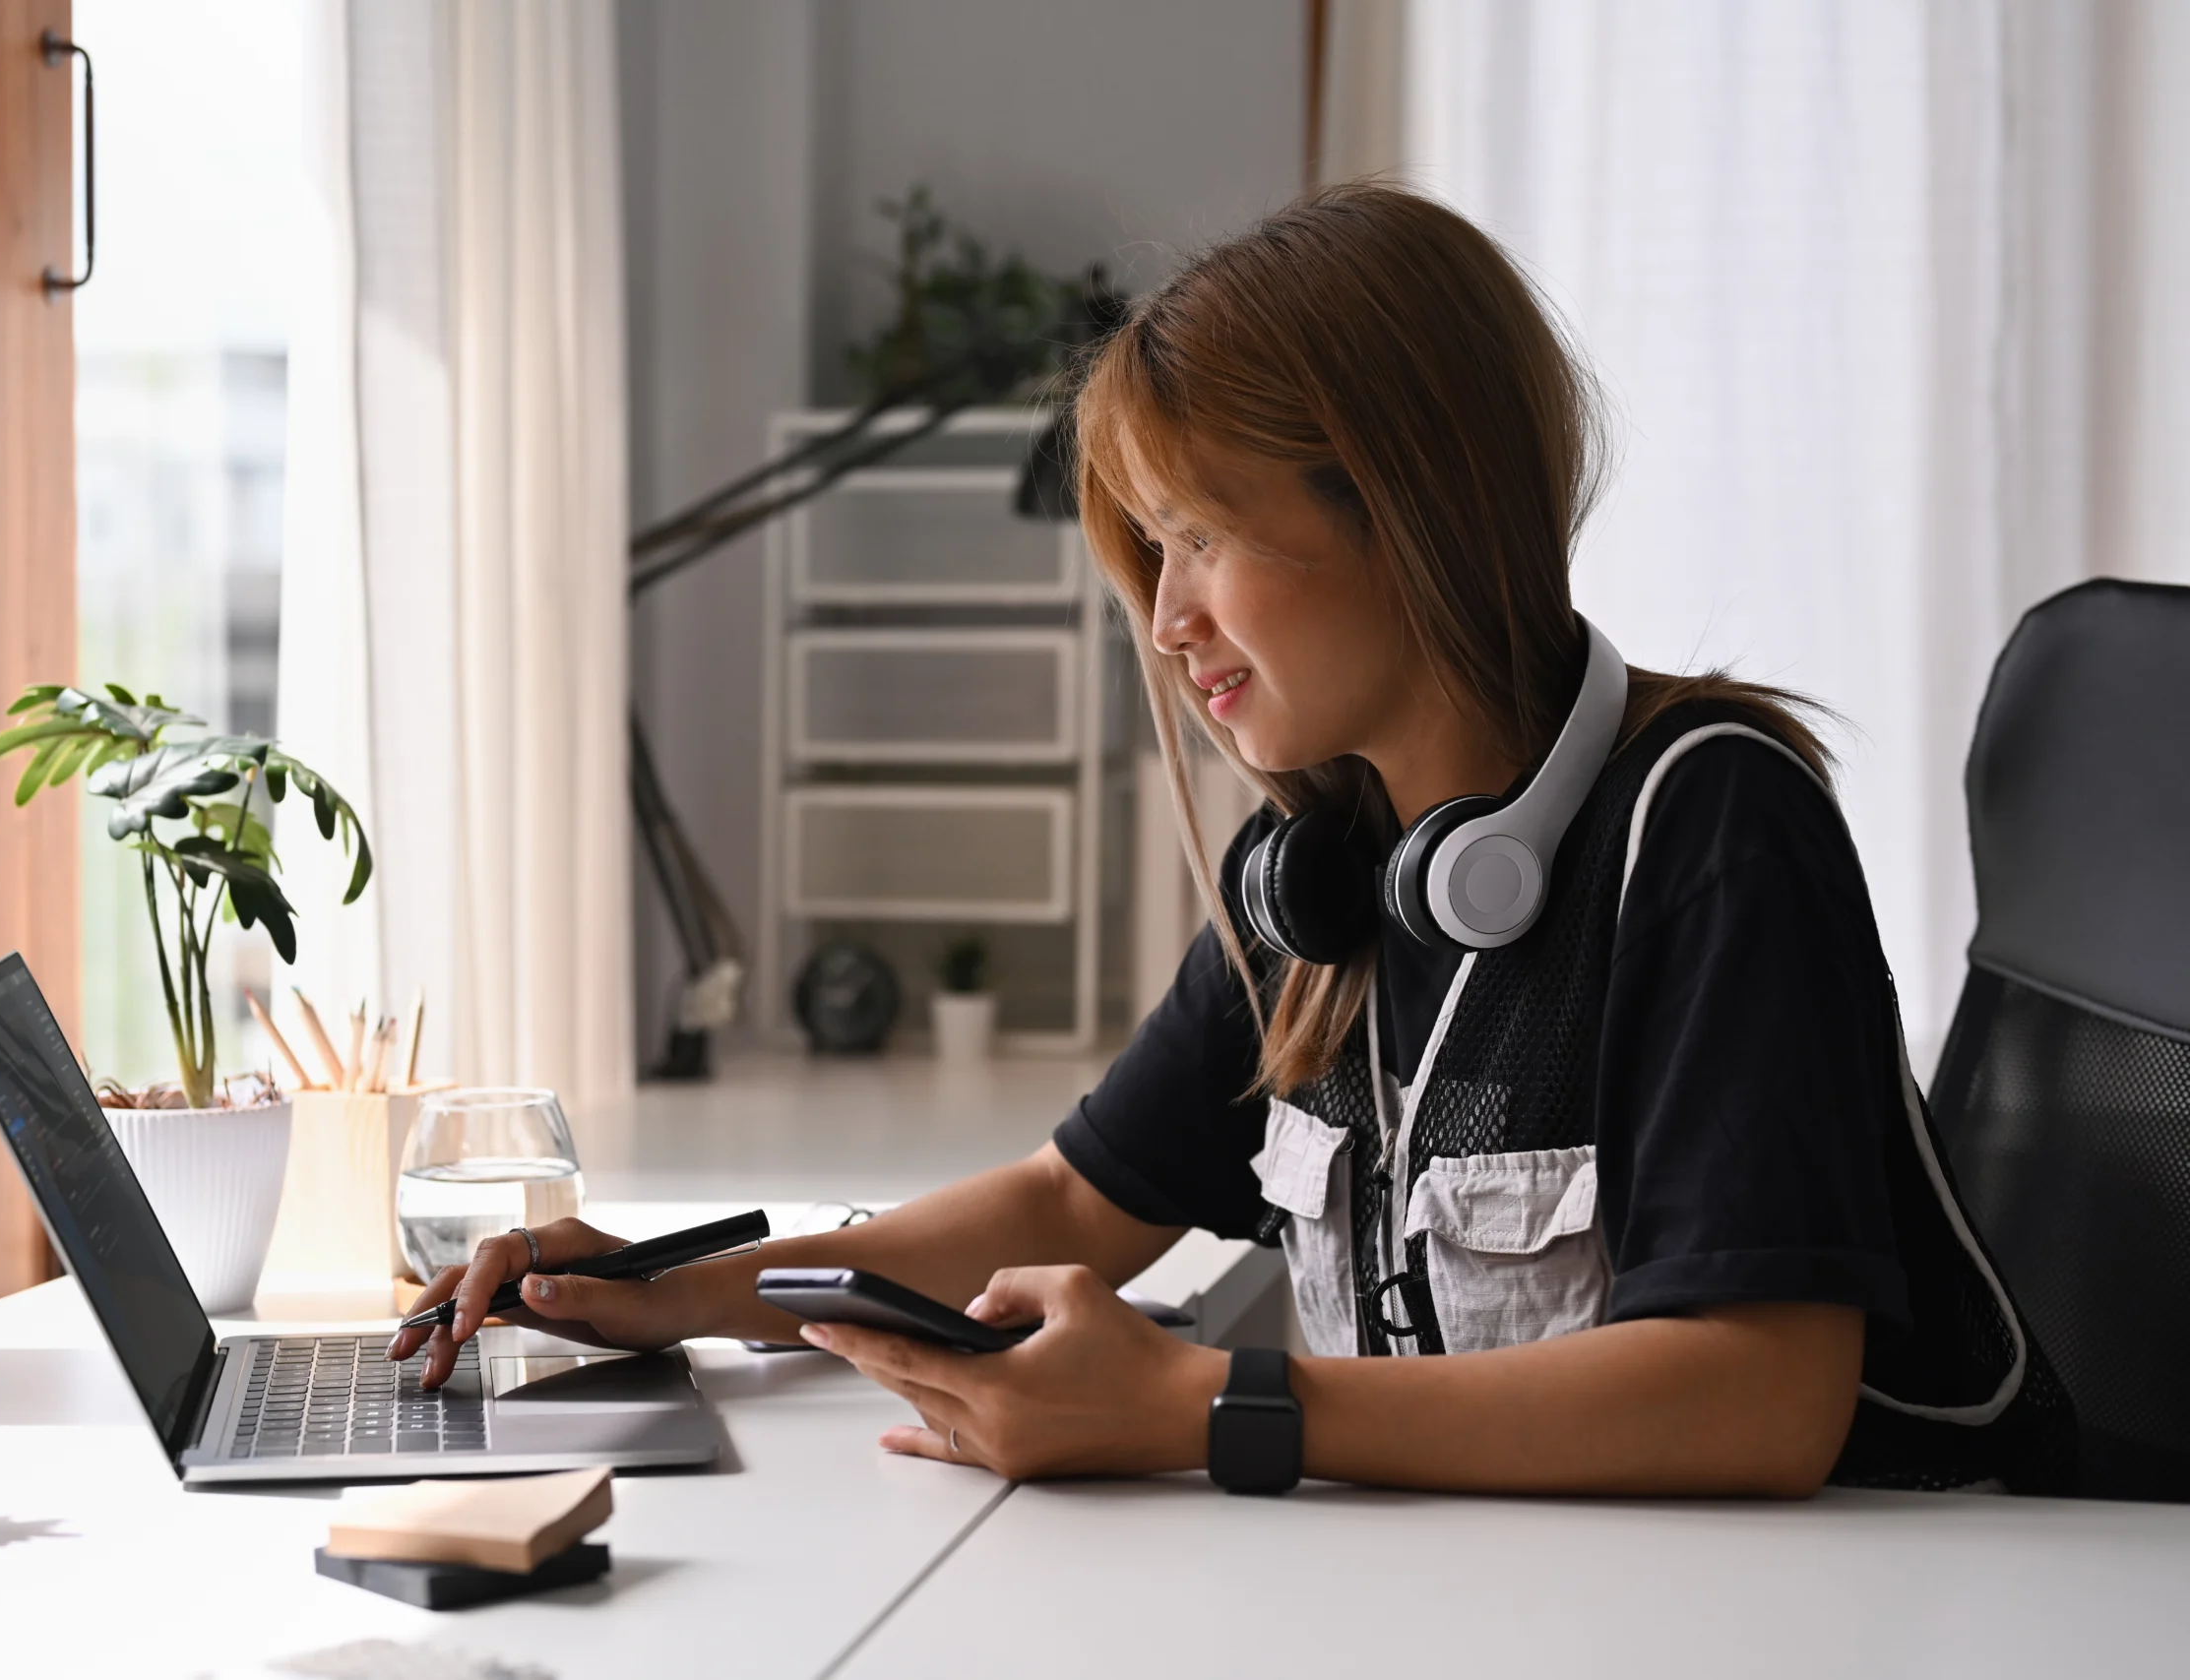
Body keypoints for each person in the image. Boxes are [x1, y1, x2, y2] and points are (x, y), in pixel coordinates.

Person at [390, 182, 2065, 1497]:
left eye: (1202, 535)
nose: (1170, 618)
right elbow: (1068, 1200)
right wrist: (685, 1286)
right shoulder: (1324, 875)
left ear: (1403, 502)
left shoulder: (1706, 828)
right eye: (1153, 554)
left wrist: (1212, 1406)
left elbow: (1756, 1397)